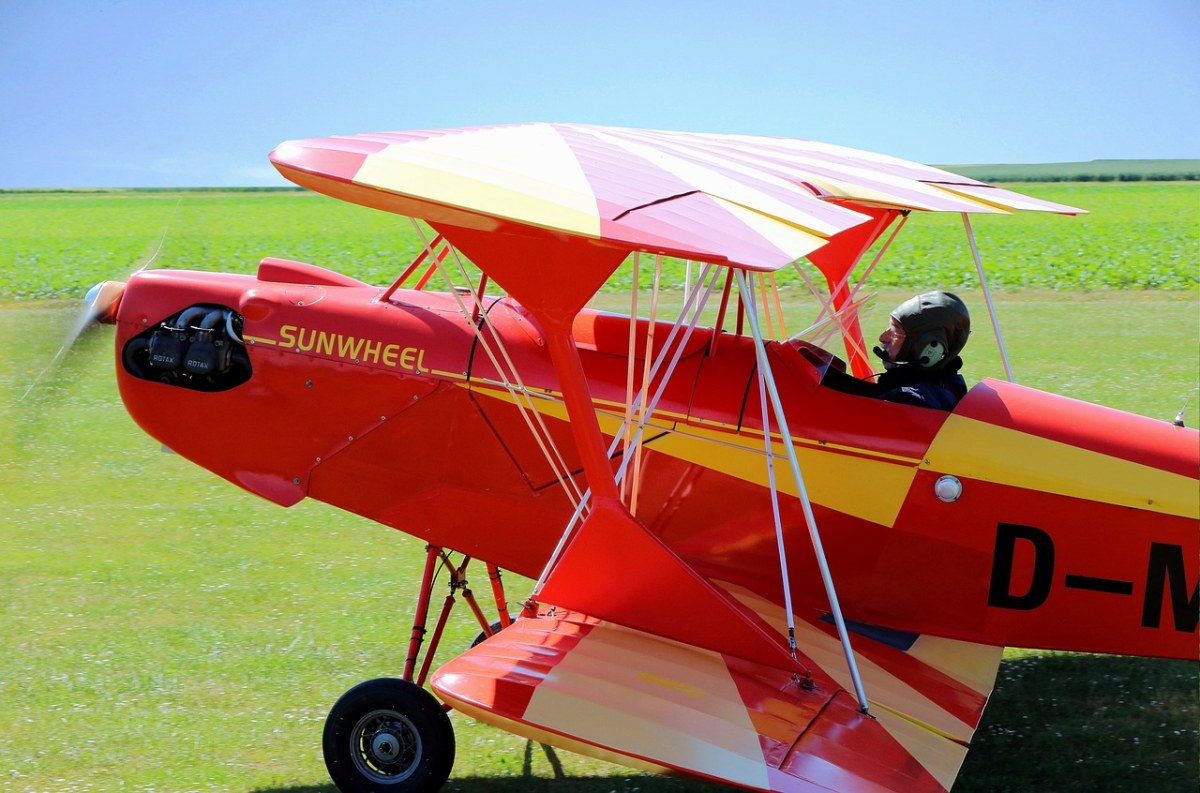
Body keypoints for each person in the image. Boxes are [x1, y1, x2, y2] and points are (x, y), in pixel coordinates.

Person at [870, 291, 971, 409]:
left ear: (929, 348)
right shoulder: (949, 385)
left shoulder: (908, 400)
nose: (883, 338)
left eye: (896, 331)